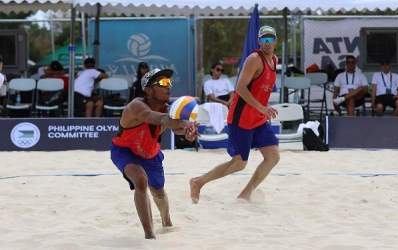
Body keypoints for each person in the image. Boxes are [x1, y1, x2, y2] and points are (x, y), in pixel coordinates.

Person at [190, 25, 280, 203]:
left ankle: (245, 194)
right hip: (242, 118)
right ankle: (198, 182)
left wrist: (264, 107)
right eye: (264, 39)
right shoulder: (254, 59)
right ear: (259, 41)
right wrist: (262, 108)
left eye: (270, 39)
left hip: (258, 118)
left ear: (276, 42)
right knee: (239, 163)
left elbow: (260, 89)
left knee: (273, 157)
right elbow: (240, 87)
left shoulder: (274, 60)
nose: (267, 43)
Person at [110, 68, 197, 239]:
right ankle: (149, 235)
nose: (168, 87)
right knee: (141, 181)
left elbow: (177, 128)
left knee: (159, 192)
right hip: (125, 151)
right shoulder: (136, 106)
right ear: (148, 90)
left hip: (150, 153)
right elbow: (155, 117)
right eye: (163, 83)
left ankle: (166, 222)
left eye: (169, 83)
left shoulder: (169, 110)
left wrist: (187, 132)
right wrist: (184, 122)